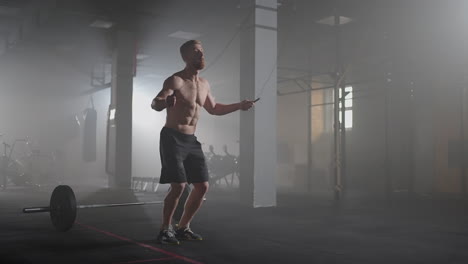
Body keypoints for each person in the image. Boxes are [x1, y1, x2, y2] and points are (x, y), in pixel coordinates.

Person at [151, 40, 256, 245]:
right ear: (186, 57)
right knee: (179, 186)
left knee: (202, 186)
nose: (201, 55)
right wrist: (165, 103)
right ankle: (165, 229)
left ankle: (183, 227)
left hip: (191, 139)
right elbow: (155, 103)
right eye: (196, 52)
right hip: (172, 137)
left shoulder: (204, 84)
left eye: (202, 52)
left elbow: (214, 108)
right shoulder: (176, 81)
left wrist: (240, 106)